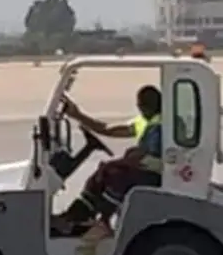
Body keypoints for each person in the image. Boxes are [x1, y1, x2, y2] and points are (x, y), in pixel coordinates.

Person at [51, 86, 163, 237]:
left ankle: (104, 220)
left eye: (142, 105)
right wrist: (78, 115)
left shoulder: (161, 124)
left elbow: (150, 152)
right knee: (100, 176)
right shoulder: (146, 121)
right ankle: (75, 217)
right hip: (144, 167)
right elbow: (108, 129)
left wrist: (129, 158)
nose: (141, 109)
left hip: (153, 173)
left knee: (115, 174)